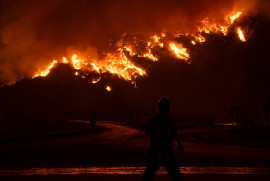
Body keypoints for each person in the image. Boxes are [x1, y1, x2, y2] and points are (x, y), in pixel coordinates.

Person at [142, 98, 184, 181]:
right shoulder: (168, 121)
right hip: (165, 152)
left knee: (148, 176)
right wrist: (179, 144)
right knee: (176, 176)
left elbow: (148, 132)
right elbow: (174, 132)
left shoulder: (155, 120)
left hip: (156, 151)